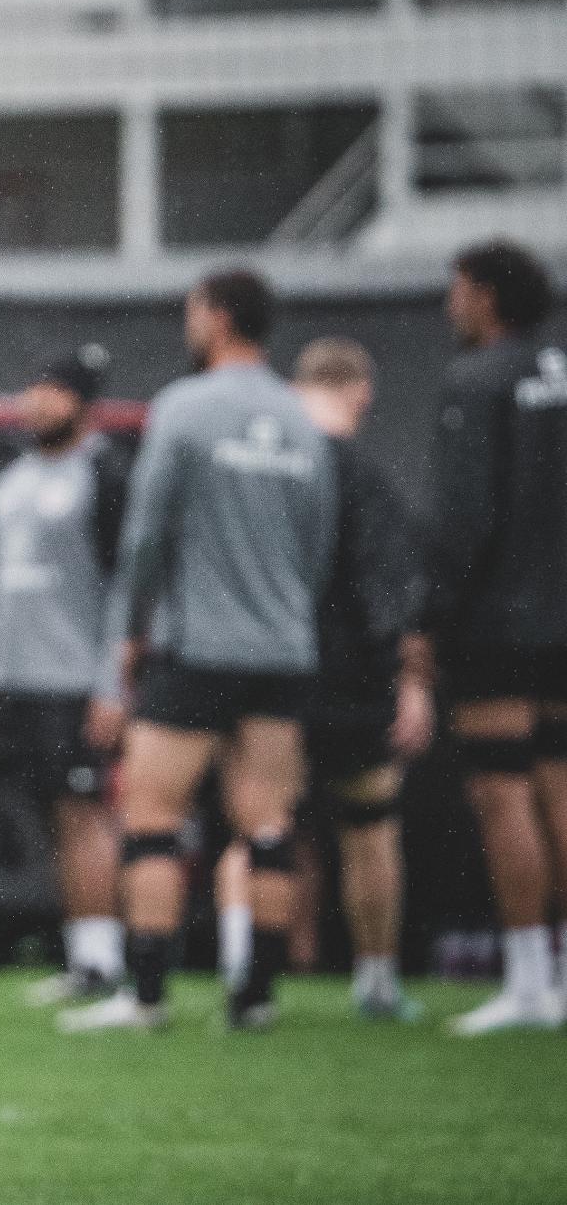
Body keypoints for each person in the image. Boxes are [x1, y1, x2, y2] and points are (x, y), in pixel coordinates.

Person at [60, 270, 336, 1034]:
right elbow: (318, 546)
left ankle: (145, 996)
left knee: (150, 816)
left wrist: (124, 638)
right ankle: (255, 998)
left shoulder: (184, 409)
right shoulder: (302, 419)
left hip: (196, 649)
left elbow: (146, 537)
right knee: (268, 823)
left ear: (213, 318)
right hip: (282, 649)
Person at [213, 338, 433, 1019]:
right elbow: (391, 593)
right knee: (368, 826)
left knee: (258, 827)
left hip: (266, 667)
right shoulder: (365, 478)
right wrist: (408, 681)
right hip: (349, 673)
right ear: (361, 391)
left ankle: (245, 978)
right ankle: (373, 981)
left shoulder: (261, 469)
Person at [0, 344, 129, 1006]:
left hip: (75, 678)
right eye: (32, 388)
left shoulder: (103, 474)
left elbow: (126, 589)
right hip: (16, 679)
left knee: (85, 815)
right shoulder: (11, 481)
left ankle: (104, 960)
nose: (34, 401)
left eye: (50, 390)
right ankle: (83, 957)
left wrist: (113, 684)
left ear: (80, 402)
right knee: (56, 818)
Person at [429, 239, 567, 1035]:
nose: (451, 306)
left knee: (501, 794)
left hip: (498, 621)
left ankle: (525, 980)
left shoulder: (475, 379)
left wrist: (431, 618)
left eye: (457, 290)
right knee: (558, 787)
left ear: (484, 295)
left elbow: (467, 518)